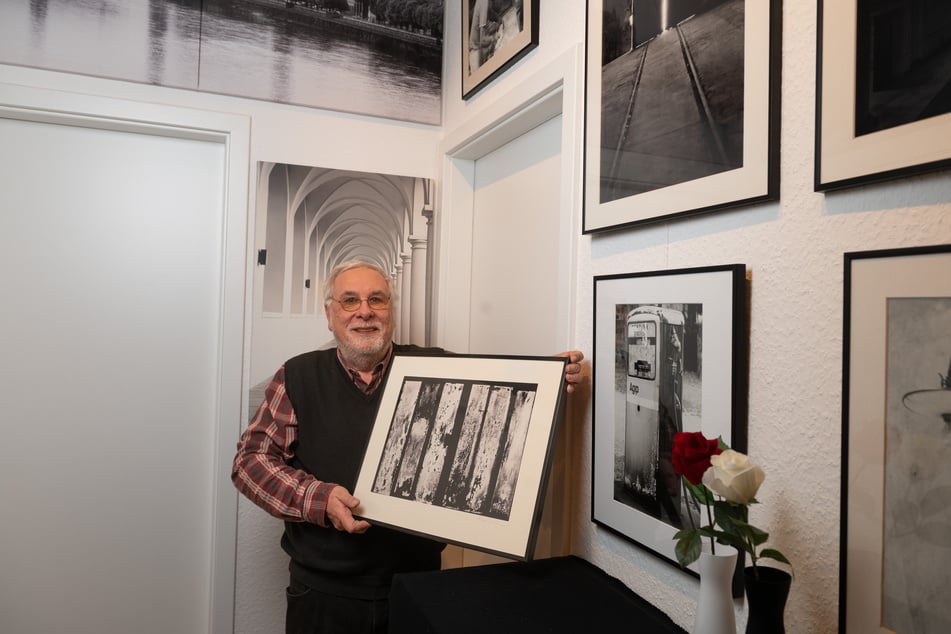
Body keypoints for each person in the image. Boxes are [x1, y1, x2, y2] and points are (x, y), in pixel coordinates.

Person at [232, 259, 585, 634]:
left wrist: (546, 375)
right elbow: (250, 462)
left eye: (377, 300)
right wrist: (318, 498)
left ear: (391, 311)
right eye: (349, 301)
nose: (365, 312)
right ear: (329, 314)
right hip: (322, 594)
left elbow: (499, 394)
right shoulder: (298, 375)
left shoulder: (438, 368)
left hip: (419, 588)